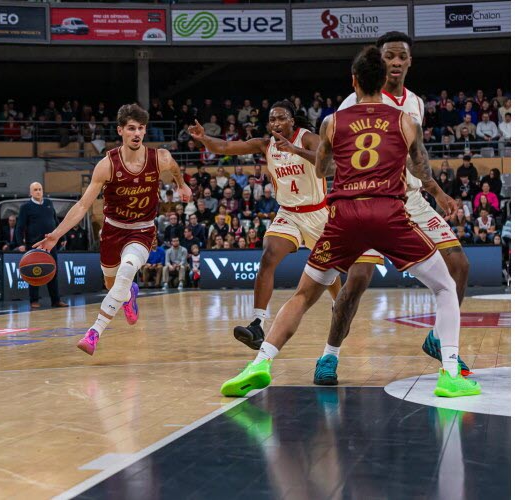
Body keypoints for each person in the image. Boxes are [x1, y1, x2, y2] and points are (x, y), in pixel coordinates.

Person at [220, 45, 479, 399]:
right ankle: (450, 374)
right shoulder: (405, 120)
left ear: (354, 81)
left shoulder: (332, 121)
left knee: (303, 295)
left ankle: (259, 364)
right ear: (383, 80)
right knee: (446, 287)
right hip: (388, 213)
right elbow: (420, 169)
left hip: (343, 217)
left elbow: (323, 168)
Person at [315, 32, 472, 383]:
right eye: (390, 56)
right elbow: (334, 154)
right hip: (368, 199)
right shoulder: (350, 103)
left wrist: (440, 194)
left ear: (410, 61)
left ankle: (438, 339)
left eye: (402, 56)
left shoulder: (414, 103)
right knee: (355, 283)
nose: (396, 62)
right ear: (379, 62)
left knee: (459, 264)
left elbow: (416, 161)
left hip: (410, 199)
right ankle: (329, 355)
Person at [190, 100, 355, 350]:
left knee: (327, 270)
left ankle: (340, 306)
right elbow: (225, 146)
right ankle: (257, 323)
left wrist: (295, 150)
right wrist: (204, 139)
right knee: (268, 256)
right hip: (288, 213)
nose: (276, 123)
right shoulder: (265, 144)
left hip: (318, 213)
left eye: (281, 118)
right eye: (272, 119)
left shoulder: (307, 138)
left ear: (292, 120)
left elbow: (330, 167)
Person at [33, 103, 191, 355]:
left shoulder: (159, 157)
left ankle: (94, 332)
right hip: (113, 230)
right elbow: (83, 205)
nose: (137, 133)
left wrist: (182, 185)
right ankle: (129, 295)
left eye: (140, 128)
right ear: (120, 131)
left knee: (127, 270)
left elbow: (174, 169)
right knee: (112, 283)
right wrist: (56, 235)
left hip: (142, 230)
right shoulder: (107, 165)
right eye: (131, 128)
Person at [16, 182, 69, 309]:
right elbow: (20, 227)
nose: (38, 191)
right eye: (35, 190)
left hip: (50, 244)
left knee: (53, 272)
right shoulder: (26, 207)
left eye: (40, 189)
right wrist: (20, 243)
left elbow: (56, 222)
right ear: (30, 192)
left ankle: (56, 300)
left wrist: (62, 237)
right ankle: (34, 300)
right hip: (34, 245)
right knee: (34, 272)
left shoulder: (49, 204)